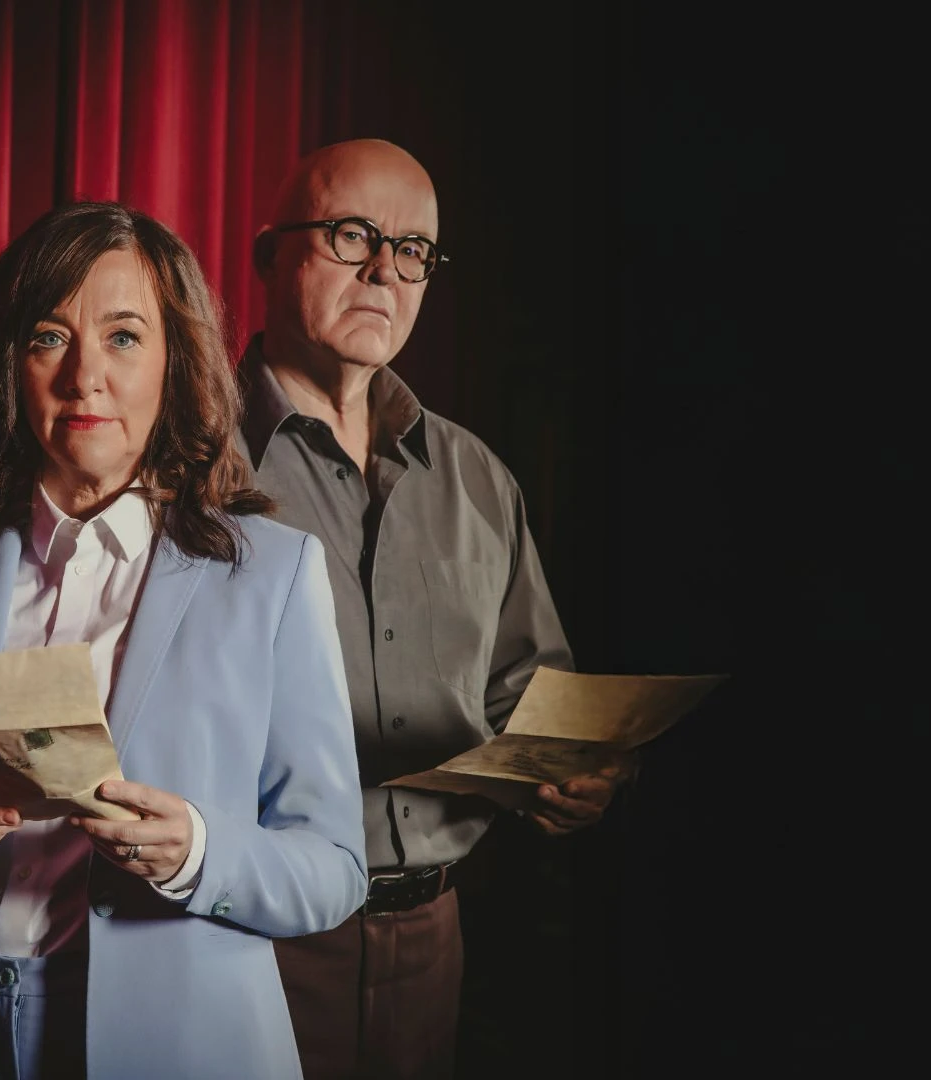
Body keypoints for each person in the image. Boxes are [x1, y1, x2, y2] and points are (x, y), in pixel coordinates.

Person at [0, 200, 368, 1080]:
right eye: (50, 336)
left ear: (174, 362)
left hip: (177, 1044)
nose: (86, 378)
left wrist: (198, 851)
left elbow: (335, 868)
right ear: (11, 362)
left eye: (123, 337)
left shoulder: (273, 574)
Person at [240, 138, 629, 1078]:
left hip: (433, 938)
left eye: (412, 250)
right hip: (248, 935)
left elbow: (528, 692)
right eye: (352, 235)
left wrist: (575, 770)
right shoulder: (190, 464)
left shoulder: (476, 477)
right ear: (267, 255)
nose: (384, 270)